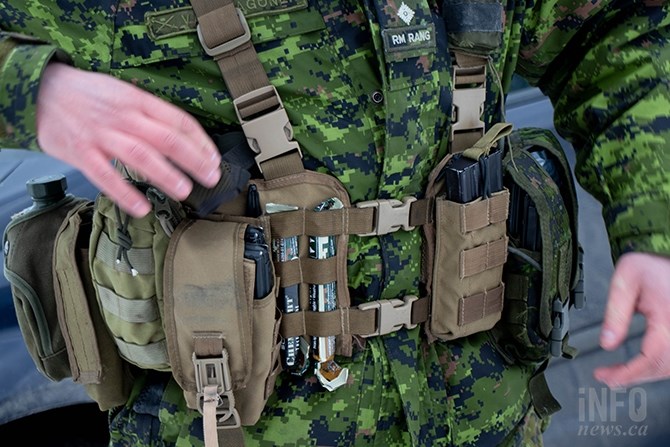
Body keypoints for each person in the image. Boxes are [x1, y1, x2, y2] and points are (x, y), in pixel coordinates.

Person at [1, 0, 669, 445]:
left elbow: (620, 30)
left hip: (482, 417)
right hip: (231, 418)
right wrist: (37, 91)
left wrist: (655, 230)